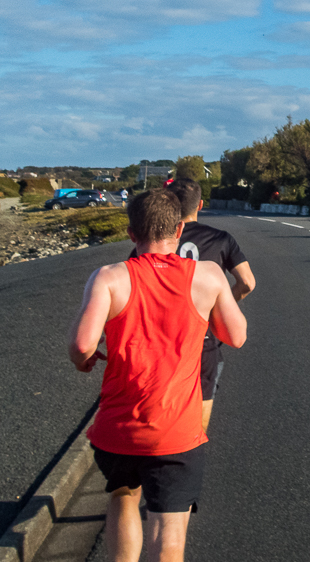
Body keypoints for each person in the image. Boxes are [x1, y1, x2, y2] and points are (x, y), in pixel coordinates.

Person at [69, 189, 247, 562]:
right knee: (167, 530)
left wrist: (83, 360)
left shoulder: (109, 277)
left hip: (118, 425)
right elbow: (236, 336)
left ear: (131, 233)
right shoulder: (209, 276)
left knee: (122, 494)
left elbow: (83, 345)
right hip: (177, 430)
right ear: (180, 229)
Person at [165, 179, 256, 431]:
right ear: (201, 205)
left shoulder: (157, 240)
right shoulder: (221, 239)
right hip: (202, 337)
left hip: (160, 336)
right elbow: (247, 283)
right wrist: (219, 308)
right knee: (197, 416)